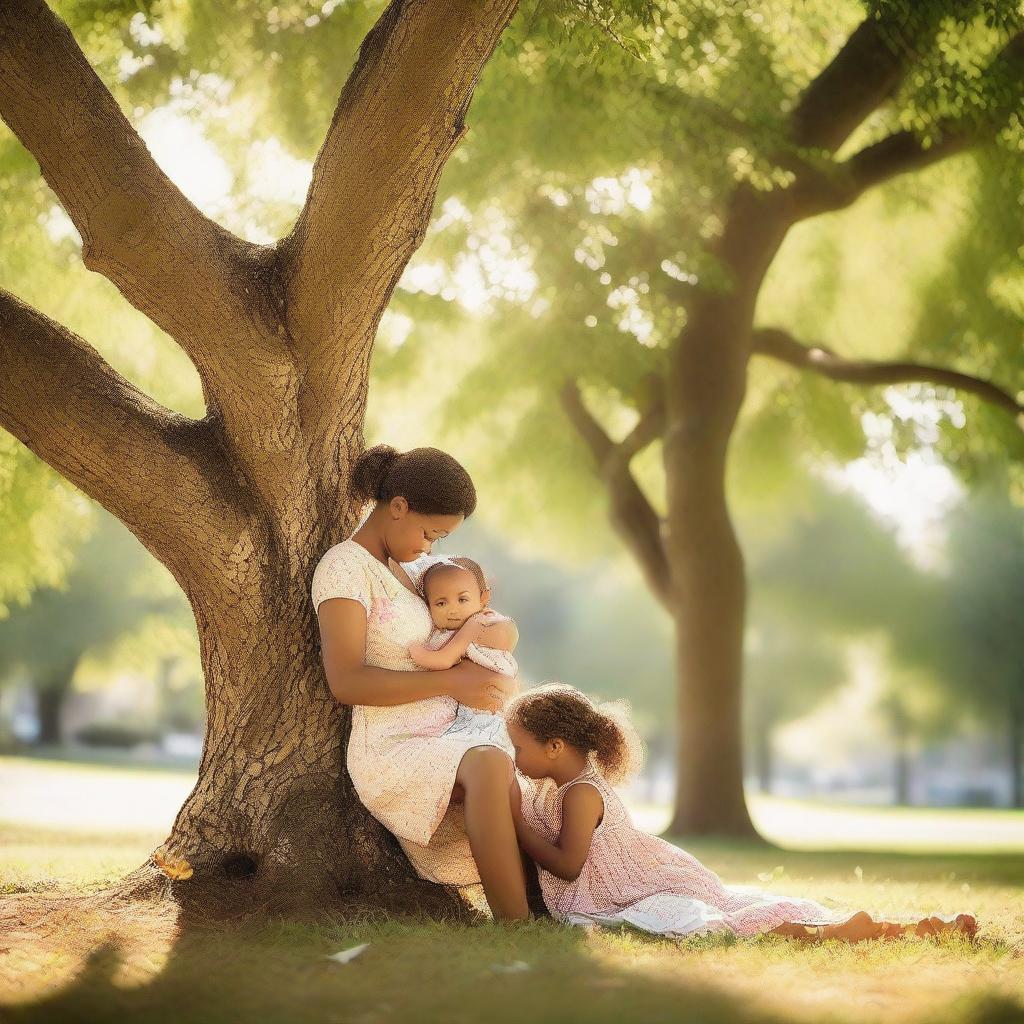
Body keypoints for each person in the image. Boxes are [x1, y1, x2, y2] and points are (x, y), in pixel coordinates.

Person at [505, 683, 980, 943]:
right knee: (732, 911)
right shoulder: (555, 785)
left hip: (636, 889)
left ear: (554, 747)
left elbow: (567, 865)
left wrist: (517, 821)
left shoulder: (581, 794)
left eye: (518, 747)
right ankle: (907, 928)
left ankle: (839, 932)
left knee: (714, 923)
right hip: (643, 880)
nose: (513, 757)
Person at [312, 444, 529, 920]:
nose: (431, 547)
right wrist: (452, 682)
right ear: (399, 507)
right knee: (492, 766)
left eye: (441, 538)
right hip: (393, 744)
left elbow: (482, 617)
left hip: (455, 733)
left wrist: (489, 652)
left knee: (533, 780)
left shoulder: (417, 571)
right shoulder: (344, 569)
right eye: (430, 533)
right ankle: (517, 925)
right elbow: (345, 681)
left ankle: (546, 905)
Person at [408, 555, 519, 752]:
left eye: (462, 599)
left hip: (484, 710)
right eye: (441, 603)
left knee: (468, 746)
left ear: (483, 598)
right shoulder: (463, 625)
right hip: (479, 703)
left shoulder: (476, 624)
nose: (453, 610)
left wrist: (415, 652)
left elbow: (444, 660)